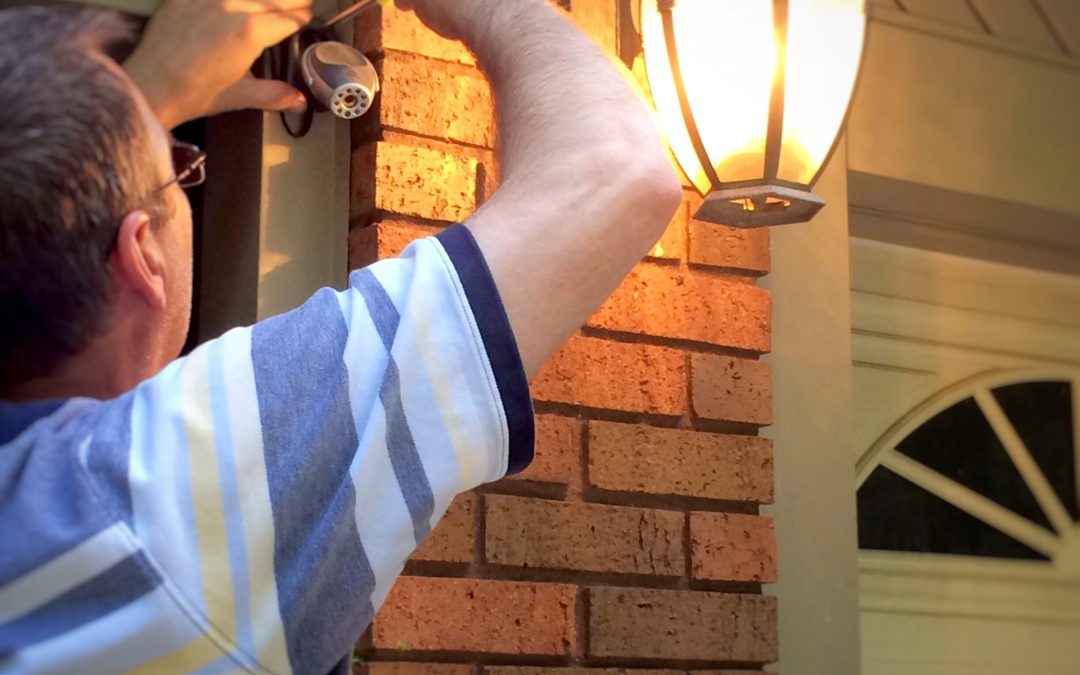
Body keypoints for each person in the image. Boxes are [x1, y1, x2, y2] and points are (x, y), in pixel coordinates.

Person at [0, 0, 681, 672]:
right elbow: (616, 170)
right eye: (181, 166)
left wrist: (143, 110)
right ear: (142, 254)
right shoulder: (137, 511)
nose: (184, 173)